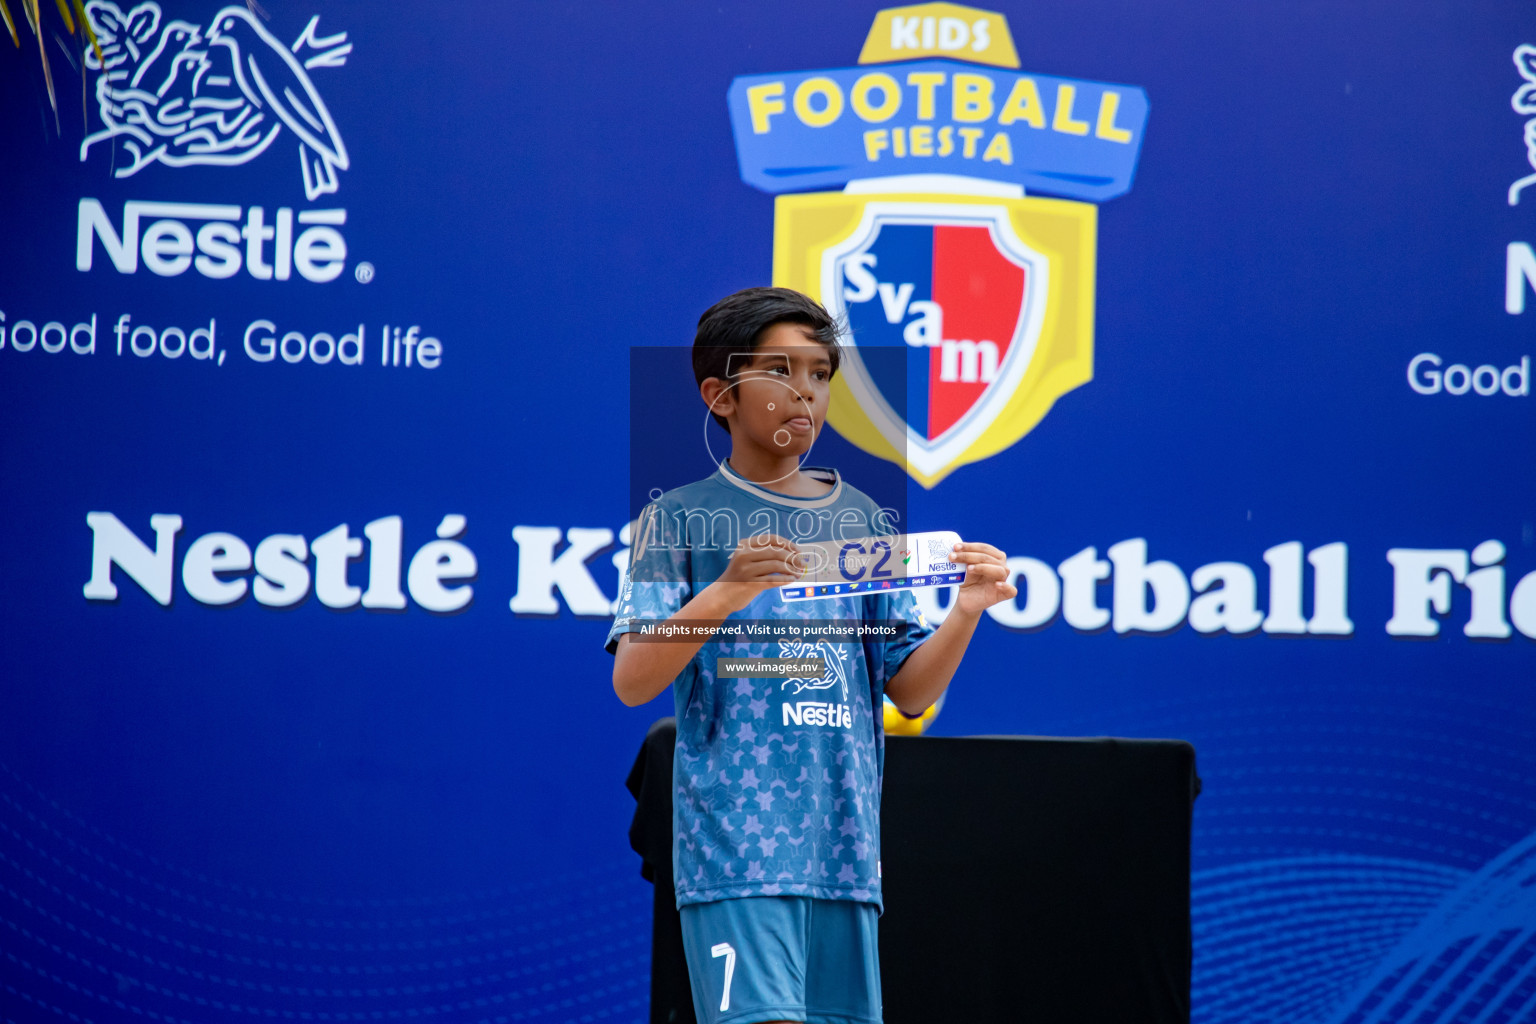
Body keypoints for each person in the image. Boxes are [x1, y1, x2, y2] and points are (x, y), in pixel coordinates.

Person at [606, 286, 1015, 1024]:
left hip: (846, 862)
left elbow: (911, 692)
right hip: (735, 857)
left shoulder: (862, 519)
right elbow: (633, 679)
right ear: (720, 395)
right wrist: (725, 592)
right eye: (781, 370)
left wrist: (965, 614)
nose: (805, 392)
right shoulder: (677, 518)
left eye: (821, 374)